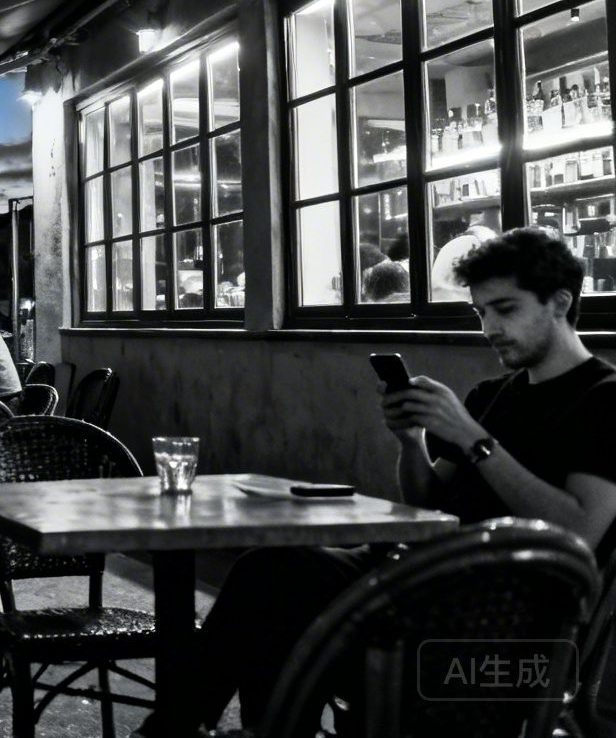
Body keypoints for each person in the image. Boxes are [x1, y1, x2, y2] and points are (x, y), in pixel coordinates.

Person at [135, 227, 616, 736]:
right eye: (480, 312)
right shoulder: (493, 395)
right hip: (419, 582)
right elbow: (429, 504)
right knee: (271, 580)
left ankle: (184, 728)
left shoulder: (603, 399)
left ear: (560, 302)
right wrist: (412, 443)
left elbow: (580, 532)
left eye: (505, 309)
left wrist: (473, 439)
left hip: (491, 619)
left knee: (277, 588)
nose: (489, 327)